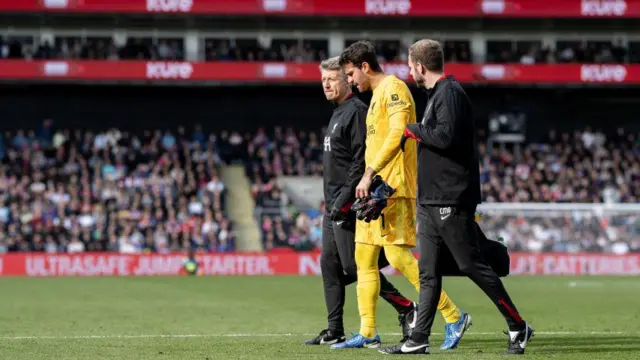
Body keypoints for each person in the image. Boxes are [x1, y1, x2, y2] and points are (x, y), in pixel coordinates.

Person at [379, 39, 533, 356]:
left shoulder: (450, 94)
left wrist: (413, 130)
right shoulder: (439, 95)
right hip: (431, 200)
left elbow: (445, 138)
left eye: (410, 66)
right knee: (428, 273)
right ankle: (418, 338)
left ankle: (518, 326)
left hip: (451, 197)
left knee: (472, 265)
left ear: (420, 66)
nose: (409, 72)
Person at [331, 41, 471, 350]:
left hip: (392, 188)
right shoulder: (376, 96)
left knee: (396, 255)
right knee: (363, 257)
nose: (350, 81)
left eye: (351, 74)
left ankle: (453, 315)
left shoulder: (394, 90)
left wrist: (370, 174)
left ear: (365, 67)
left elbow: (399, 133)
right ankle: (368, 331)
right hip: (374, 189)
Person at [304, 56, 418, 346]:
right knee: (329, 267)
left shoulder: (355, 111)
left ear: (346, 79)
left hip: (346, 204)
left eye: (331, 79)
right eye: (322, 81)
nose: (326, 85)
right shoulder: (338, 112)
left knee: (355, 267)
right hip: (332, 206)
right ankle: (334, 329)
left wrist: (343, 201)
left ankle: (406, 307)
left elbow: (360, 160)